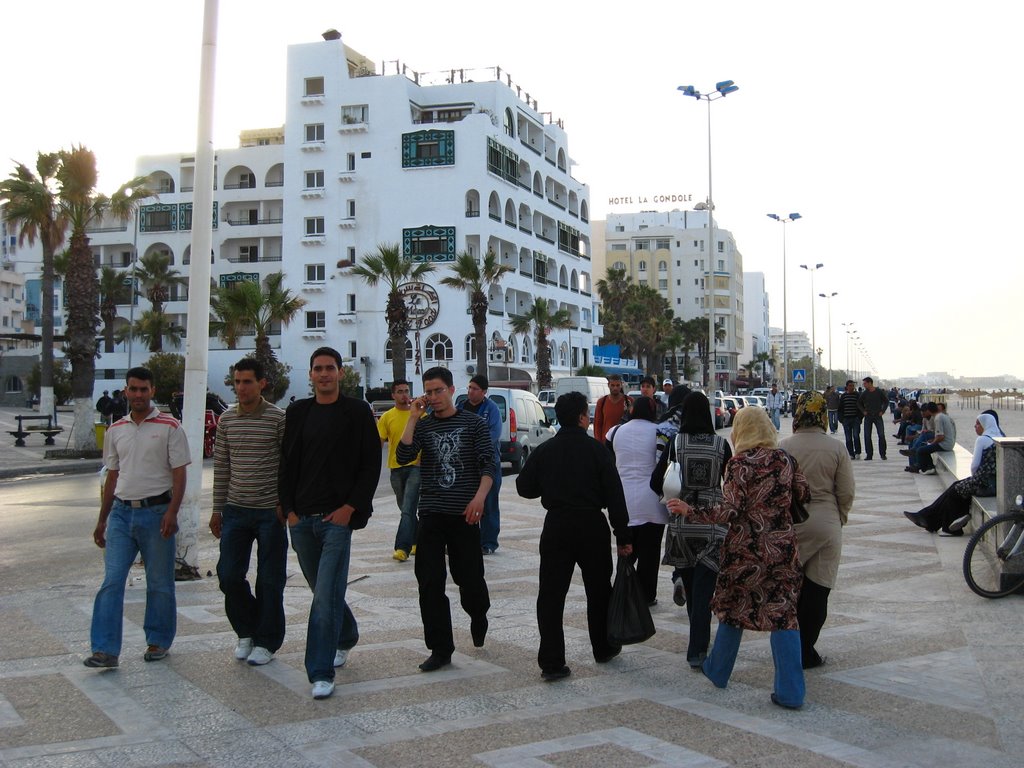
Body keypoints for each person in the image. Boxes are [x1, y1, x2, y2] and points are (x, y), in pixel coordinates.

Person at [668, 406, 809, 709]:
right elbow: (804, 494)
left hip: (745, 551)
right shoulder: (787, 460)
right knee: (784, 616)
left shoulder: (738, 465)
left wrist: (690, 511)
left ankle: (718, 671)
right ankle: (791, 693)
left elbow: (728, 510)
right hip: (782, 550)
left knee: (734, 608)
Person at [279, 347, 381, 700]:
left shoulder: (356, 411)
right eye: (318, 369)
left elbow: (370, 464)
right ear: (310, 374)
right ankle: (346, 634)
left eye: (330, 368)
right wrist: (289, 510)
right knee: (324, 590)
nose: (324, 374)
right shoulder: (298, 412)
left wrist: (350, 507)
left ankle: (320, 671)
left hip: (337, 519)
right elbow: (287, 462)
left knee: (324, 595)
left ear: (340, 372)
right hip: (301, 520)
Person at [516, 391, 632, 681]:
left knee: (551, 595)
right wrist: (623, 535)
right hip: (591, 523)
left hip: (557, 525)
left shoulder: (545, 450)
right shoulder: (598, 451)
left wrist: (550, 485)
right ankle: (603, 647)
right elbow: (615, 496)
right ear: (582, 417)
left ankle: (552, 661)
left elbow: (524, 487)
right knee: (598, 590)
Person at [84, 366, 190, 669]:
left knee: (159, 583)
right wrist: (102, 519)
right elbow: (112, 476)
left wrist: (172, 512)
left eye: (144, 389)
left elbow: (180, 474)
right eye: (133, 389)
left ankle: (158, 640)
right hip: (120, 514)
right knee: (112, 582)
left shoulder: (170, 426)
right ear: (126, 391)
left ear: (152, 391)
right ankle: (104, 650)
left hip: (157, 513)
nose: (138, 394)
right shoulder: (116, 430)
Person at [398, 367, 496, 673]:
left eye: (439, 390)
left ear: (452, 390)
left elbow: (489, 464)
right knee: (429, 582)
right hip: (431, 514)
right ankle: (440, 648)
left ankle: (478, 613)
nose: (433, 397)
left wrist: (479, 498)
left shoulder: (473, 423)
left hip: (464, 515)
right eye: (428, 391)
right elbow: (403, 456)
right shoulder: (424, 427)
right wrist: (413, 416)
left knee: (469, 580)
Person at [209, 358, 287, 666]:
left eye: (247, 382)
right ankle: (247, 629)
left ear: (262, 383)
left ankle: (267, 640)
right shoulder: (227, 420)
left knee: (269, 580)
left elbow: (287, 465)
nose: (241, 388)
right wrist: (217, 510)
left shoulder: (278, 418)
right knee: (228, 575)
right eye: (237, 382)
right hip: (236, 511)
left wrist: (284, 503)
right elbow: (222, 467)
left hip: (270, 512)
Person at [652, 390, 731, 669]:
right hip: (712, 525)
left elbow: (655, 482)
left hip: (681, 524)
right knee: (705, 589)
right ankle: (697, 649)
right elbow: (731, 486)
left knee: (691, 586)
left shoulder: (675, 443)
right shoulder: (722, 445)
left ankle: (697, 641)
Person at [780, 391, 855, 669]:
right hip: (826, 522)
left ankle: (790, 647)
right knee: (818, 590)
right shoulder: (836, 448)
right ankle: (806, 649)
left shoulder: (784, 446)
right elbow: (846, 491)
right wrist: (840, 518)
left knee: (793, 590)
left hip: (792, 523)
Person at [605, 397, 667, 606]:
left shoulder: (614, 432)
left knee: (626, 552)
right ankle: (647, 596)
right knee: (650, 556)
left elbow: (608, 464)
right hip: (652, 503)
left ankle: (623, 591)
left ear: (632, 410)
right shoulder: (659, 432)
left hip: (624, 502)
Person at [904, 413, 1000, 535]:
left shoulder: (982, 439)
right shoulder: (999, 437)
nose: (975, 426)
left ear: (985, 425)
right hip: (994, 484)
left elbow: (974, 466)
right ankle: (929, 520)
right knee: (957, 486)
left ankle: (944, 526)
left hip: (984, 484)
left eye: (977, 424)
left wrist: (974, 478)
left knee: (955, 491)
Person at [457, 374, 502, 554]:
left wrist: (474, 445)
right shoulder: (460, 407)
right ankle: (464, 540)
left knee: (489, 504)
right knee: (464, 503)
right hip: (466, 465)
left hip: (488, 464)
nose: (470, 392)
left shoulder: (492, 409)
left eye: (475, 389)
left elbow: (494, 434)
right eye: (469, 388)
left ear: (484, 392)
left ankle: (489, 543)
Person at [377, 379, 421, 562]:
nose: (405, 395)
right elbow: (378, 442)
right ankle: (417, 541)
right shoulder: (387, 417)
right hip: (395, 468)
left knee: (407, 508)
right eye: (400, 391)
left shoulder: (419, 415)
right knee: (406, 509)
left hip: (415, 468)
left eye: (407, 391)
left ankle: (401, 548)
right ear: (393, 395)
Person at [910, 402, 956, 475]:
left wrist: (932, 443)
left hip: (945, 445)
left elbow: (940, 436)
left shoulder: (937, 418)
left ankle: (927, 468)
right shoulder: (942, 416)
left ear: (928, 410)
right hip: (949, 443)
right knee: (924, 446)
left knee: (920, 450)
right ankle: (927, 466)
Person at [593, 374, 631, 444]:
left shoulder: (629, 401)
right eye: (612, 385)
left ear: (621, 385)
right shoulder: (601, 402)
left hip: (624, 442)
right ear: (608, 385)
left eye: (617, 385)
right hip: (606, 443)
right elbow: (597, 424)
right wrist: (599, 444)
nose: (615, 388)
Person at [858, 376, 888, 460]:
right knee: (867, 436)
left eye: (865, 383)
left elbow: (886, 401)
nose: (864, 385)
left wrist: (883, 410)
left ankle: (883, 454)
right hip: (868, 416)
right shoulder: (865, 393)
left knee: (881, 435)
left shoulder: (879, 392)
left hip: (878, 416)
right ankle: (869, 454)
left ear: (870, 383)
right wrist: (863, 411)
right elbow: (859, 403)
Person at [839, 380, 863, 459]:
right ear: (847, 387)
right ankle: (851, 453)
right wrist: (841, 419)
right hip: (846, 419)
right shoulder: (843, 396)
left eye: (853, 386)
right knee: (848, 437)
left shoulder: (857, 395)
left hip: (855, 419)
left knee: (856, 436)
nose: (852, 387)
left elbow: (861, 407)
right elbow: (840, 408)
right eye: (850, 386)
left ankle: (858, 452)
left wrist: (860, 418)